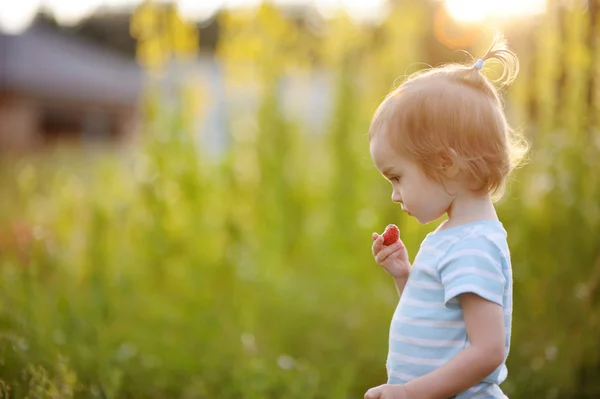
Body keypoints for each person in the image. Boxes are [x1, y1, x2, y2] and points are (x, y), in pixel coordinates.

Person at [365, 32, 529, 399]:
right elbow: (441, 326)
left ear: (445, 163)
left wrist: (410, 392)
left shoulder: (472, 246)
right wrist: (404, 277)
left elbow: (488, 351)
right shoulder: (454, 237)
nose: (394, 193)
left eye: (397, 177)